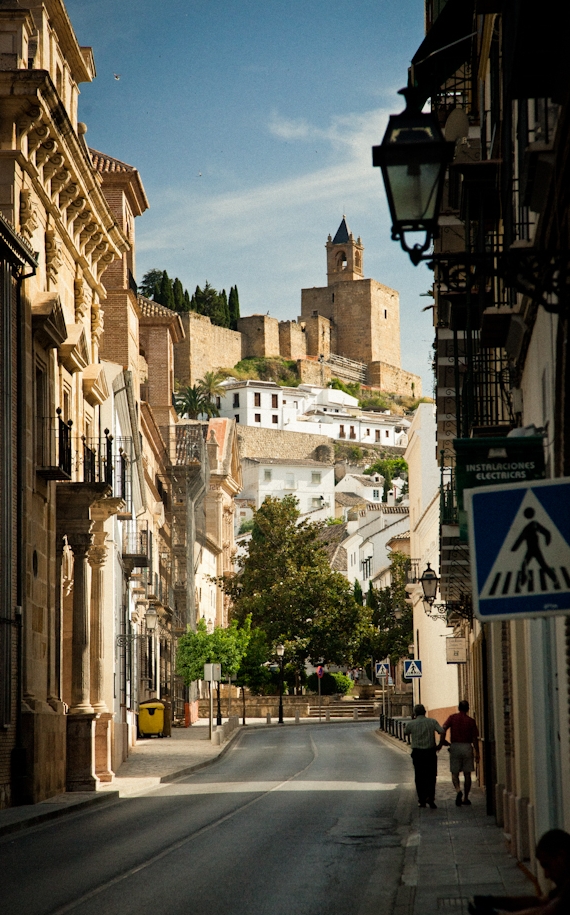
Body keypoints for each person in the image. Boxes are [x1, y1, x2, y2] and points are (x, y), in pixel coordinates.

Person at [468, 829, 570, 915]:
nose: (546, 875)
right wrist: (493, 901)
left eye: (547, 866)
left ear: (561, 856)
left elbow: (545, 911)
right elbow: (539, 902)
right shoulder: (563, 885)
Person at [404, 703, 445, 809]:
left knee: (419, 776)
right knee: (431, 776)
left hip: (417, 753)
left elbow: (406, 732)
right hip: (430, 752)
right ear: (425, 712)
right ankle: (430, 798)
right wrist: (440, 745)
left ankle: (421, 800)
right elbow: (442, 731)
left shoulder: (411, 724)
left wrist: (413, 719)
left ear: (415, 713)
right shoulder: (432, 722)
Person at [442, 700, 479, 806]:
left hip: (455, 746)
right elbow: (475, 738)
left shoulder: (452, 718)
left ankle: (458, 790)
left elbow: (443, 728)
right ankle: (466, 798)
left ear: (458, 708)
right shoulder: (471, 721)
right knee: (467, 774)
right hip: (467, 746)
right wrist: (477, 752)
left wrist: (443, 741)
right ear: (467, 709)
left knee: (454, 773)